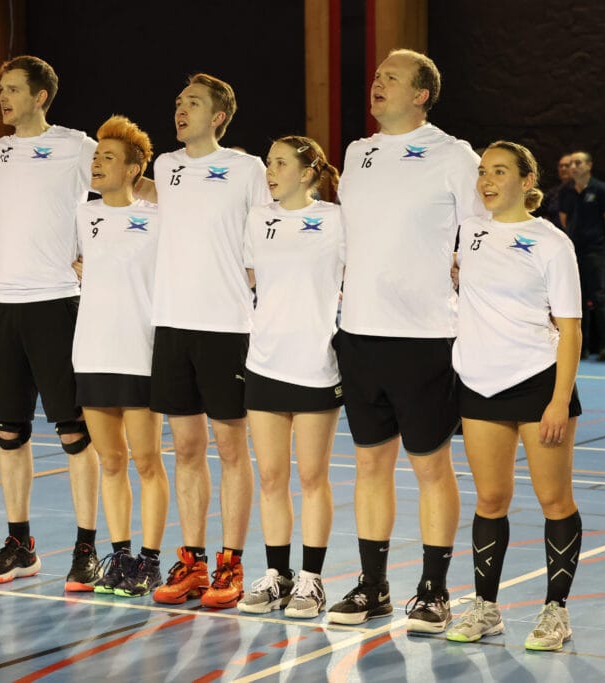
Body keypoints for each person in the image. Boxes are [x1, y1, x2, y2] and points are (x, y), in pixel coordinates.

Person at [331, 49, 485, 633]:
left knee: (430, 466)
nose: (376, 83)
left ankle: (433, 591)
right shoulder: (358, 152)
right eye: (376, 76)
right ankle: (373, 587)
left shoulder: (453, 155)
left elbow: (484, 229)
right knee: (370, 464)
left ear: (421, 95)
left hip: (423, 336)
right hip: (359, 333)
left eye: (390, 78)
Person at [446, 141, 583, 652]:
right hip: (479, 385)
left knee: (554, 499)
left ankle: (556, 612)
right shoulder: (470, 231)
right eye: (483, 171)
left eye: (499, 171)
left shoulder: (551, 243)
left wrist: (558, 399)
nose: (486, 180)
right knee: (490, 499)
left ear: (527, 181)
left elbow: (570, 329)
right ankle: (485, 608)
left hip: (538, 381)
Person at [0, 55, 102, 590]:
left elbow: (123, 189)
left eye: (12, 89)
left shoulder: (77, 146)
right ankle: (20, 545)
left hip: (56, 301)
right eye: (1, 88)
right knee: (9, 431)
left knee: (74, 431)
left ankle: (86, 549)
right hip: (3, 303)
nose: (2, 97)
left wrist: (95, 251)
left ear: (40, 96)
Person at [146, 73, 270, 609]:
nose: (181, 109)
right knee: (186, 449)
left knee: (231, 449)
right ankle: (193, 562)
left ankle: (231, 563)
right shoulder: (165, 166)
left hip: (226, 326)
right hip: (171, 322)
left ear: (218, 117)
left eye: (192, 103)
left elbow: (262, 242)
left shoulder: (248, 169)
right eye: (178, 101)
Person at [235, 136, 344, 619]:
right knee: (271, 477)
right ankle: (277, 575)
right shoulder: (258, 219)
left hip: (316, 363)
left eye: (280, 163)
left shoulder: (336, 221)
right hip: (264, 362)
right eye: (268, 163)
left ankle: (311, 580)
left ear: (307, 172)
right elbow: (249, 278)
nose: (270, 171)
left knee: (312, 476)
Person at [69, 115, 168, 598]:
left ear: (133, 169)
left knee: (147, 461)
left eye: (109, 157)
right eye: (96, 156)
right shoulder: (81, 215)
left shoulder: (158, 218)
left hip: (140, 351)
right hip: (92, 351)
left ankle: (150, 560)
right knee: (110, 460)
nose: (97, 163)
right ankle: (121, 556)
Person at [559, 151, 605, 361]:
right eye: (571, 164)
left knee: (598, 296)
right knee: (577, 300)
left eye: (578, 163)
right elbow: (564, 219)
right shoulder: (566, 191)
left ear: (589, 165)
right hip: (573, 252)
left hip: (594, 250)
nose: (573, 167)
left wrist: (603, 243)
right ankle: (581, 348)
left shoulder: (600, 189)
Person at [538, 153, 572, 230]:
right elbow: (544, 214)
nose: (563, 169)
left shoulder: (585, 191)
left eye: (567, 166)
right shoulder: (552, 193)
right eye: (561, 166)